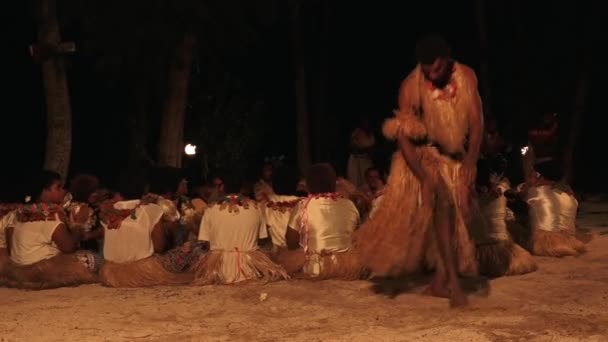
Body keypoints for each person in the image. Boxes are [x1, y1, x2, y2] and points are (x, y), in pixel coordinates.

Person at [355, 34, 483, 307]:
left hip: (455, 159)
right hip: (421, 158)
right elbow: (402, 136)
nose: (432, 74)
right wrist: (424, 177)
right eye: (427, 70)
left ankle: (439, 283)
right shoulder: (410, 86)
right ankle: (455, 287)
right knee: (443, 205)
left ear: (447, 59)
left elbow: (477, 122)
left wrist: (471, 161)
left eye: (436, 69)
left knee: (461, 219)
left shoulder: (467, 77)